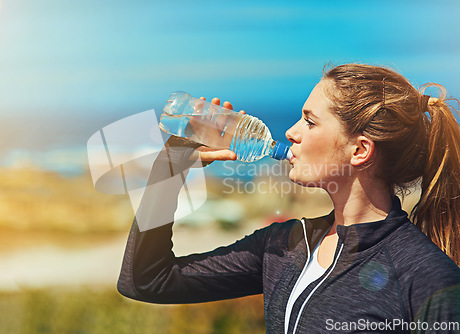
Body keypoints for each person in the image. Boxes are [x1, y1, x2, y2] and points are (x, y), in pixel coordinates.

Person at [117, 64, 460, 333]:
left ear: (359, 150)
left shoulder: (427, 277)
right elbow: (146, 281)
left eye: (310, 122)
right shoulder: (283, 246)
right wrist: (171, 166)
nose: (291, 132)